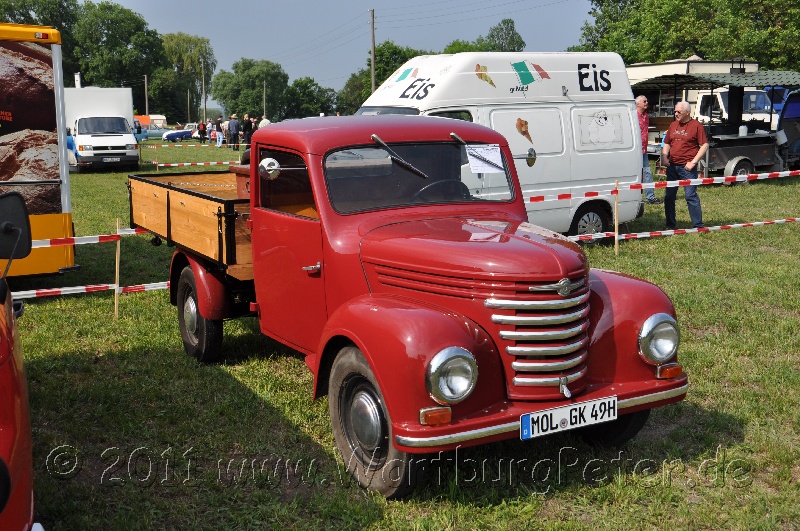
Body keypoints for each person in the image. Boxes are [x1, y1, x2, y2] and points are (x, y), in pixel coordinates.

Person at [661, 101, 708, 229]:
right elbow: (667, 143)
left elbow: (704, 145)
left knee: (690, 196)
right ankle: (670, 225)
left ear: (687, 112)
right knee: (669, 197)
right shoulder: (673, 125)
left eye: (679, 112)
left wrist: (693, 162)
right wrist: (665, 157)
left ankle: (698, 225)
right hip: (672, 166)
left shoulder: (696, 125)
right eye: (675, 111)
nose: (676, 114)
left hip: (687, 168)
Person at [636, 95, 661, 204]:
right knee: (636, 174)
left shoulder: (646, 116)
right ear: (638, 104)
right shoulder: (633, 115)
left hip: (643, 150)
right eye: (644, 101)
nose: (647, 102)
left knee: (646, 172)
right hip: (634, 151)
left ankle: (650, 197)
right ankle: (635, 197)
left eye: (647, 100)